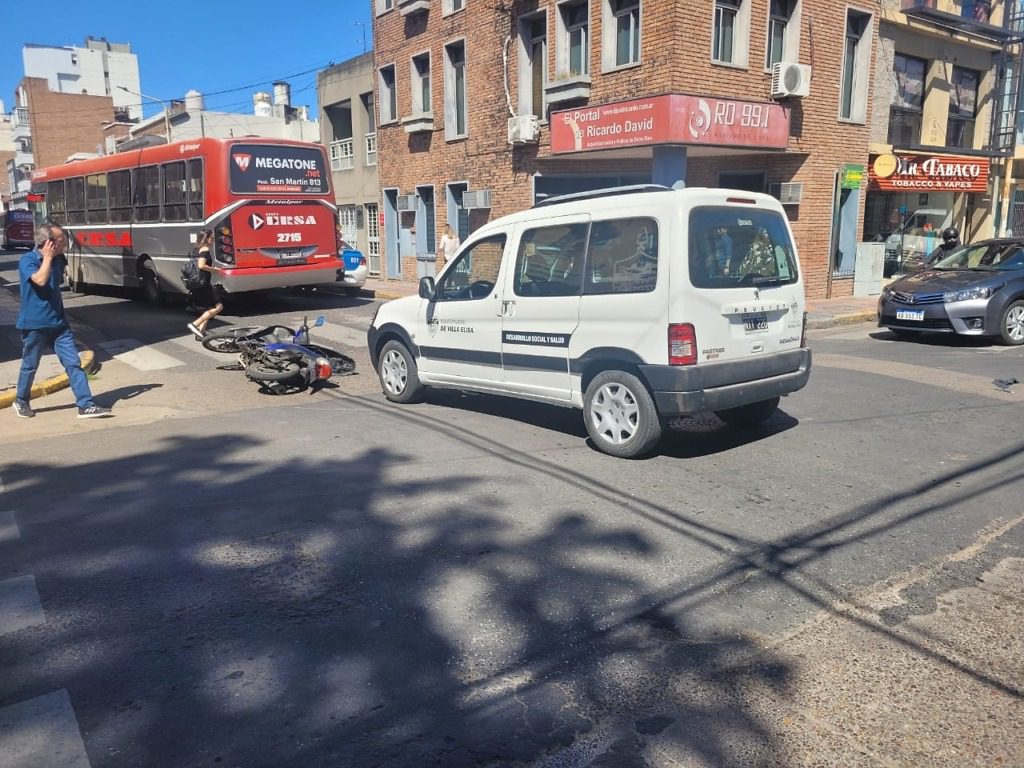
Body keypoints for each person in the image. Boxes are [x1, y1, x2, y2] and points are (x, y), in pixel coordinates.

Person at [13, 222, 112, 419]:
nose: (65, 243)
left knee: (73, 363)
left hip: (59, 324)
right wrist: (47, 258)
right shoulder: (28, 260)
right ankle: (21, 400)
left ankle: (85, 405)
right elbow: (40, 280)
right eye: (61, 240)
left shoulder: (59, 260)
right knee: (30, 365)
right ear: (48, 243)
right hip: (35, 325)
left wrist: (54, 258)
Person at [186, 229, 224, 339]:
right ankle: (195, 324)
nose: (213, 240)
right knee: (218, 306)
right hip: (204, 283)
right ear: (206, 239)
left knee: (208, 308)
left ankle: (201, 332)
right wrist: (214, 270)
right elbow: (201, 265)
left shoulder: (196, 249)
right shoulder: (205, 249)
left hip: (197, 282)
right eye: (212, 238)